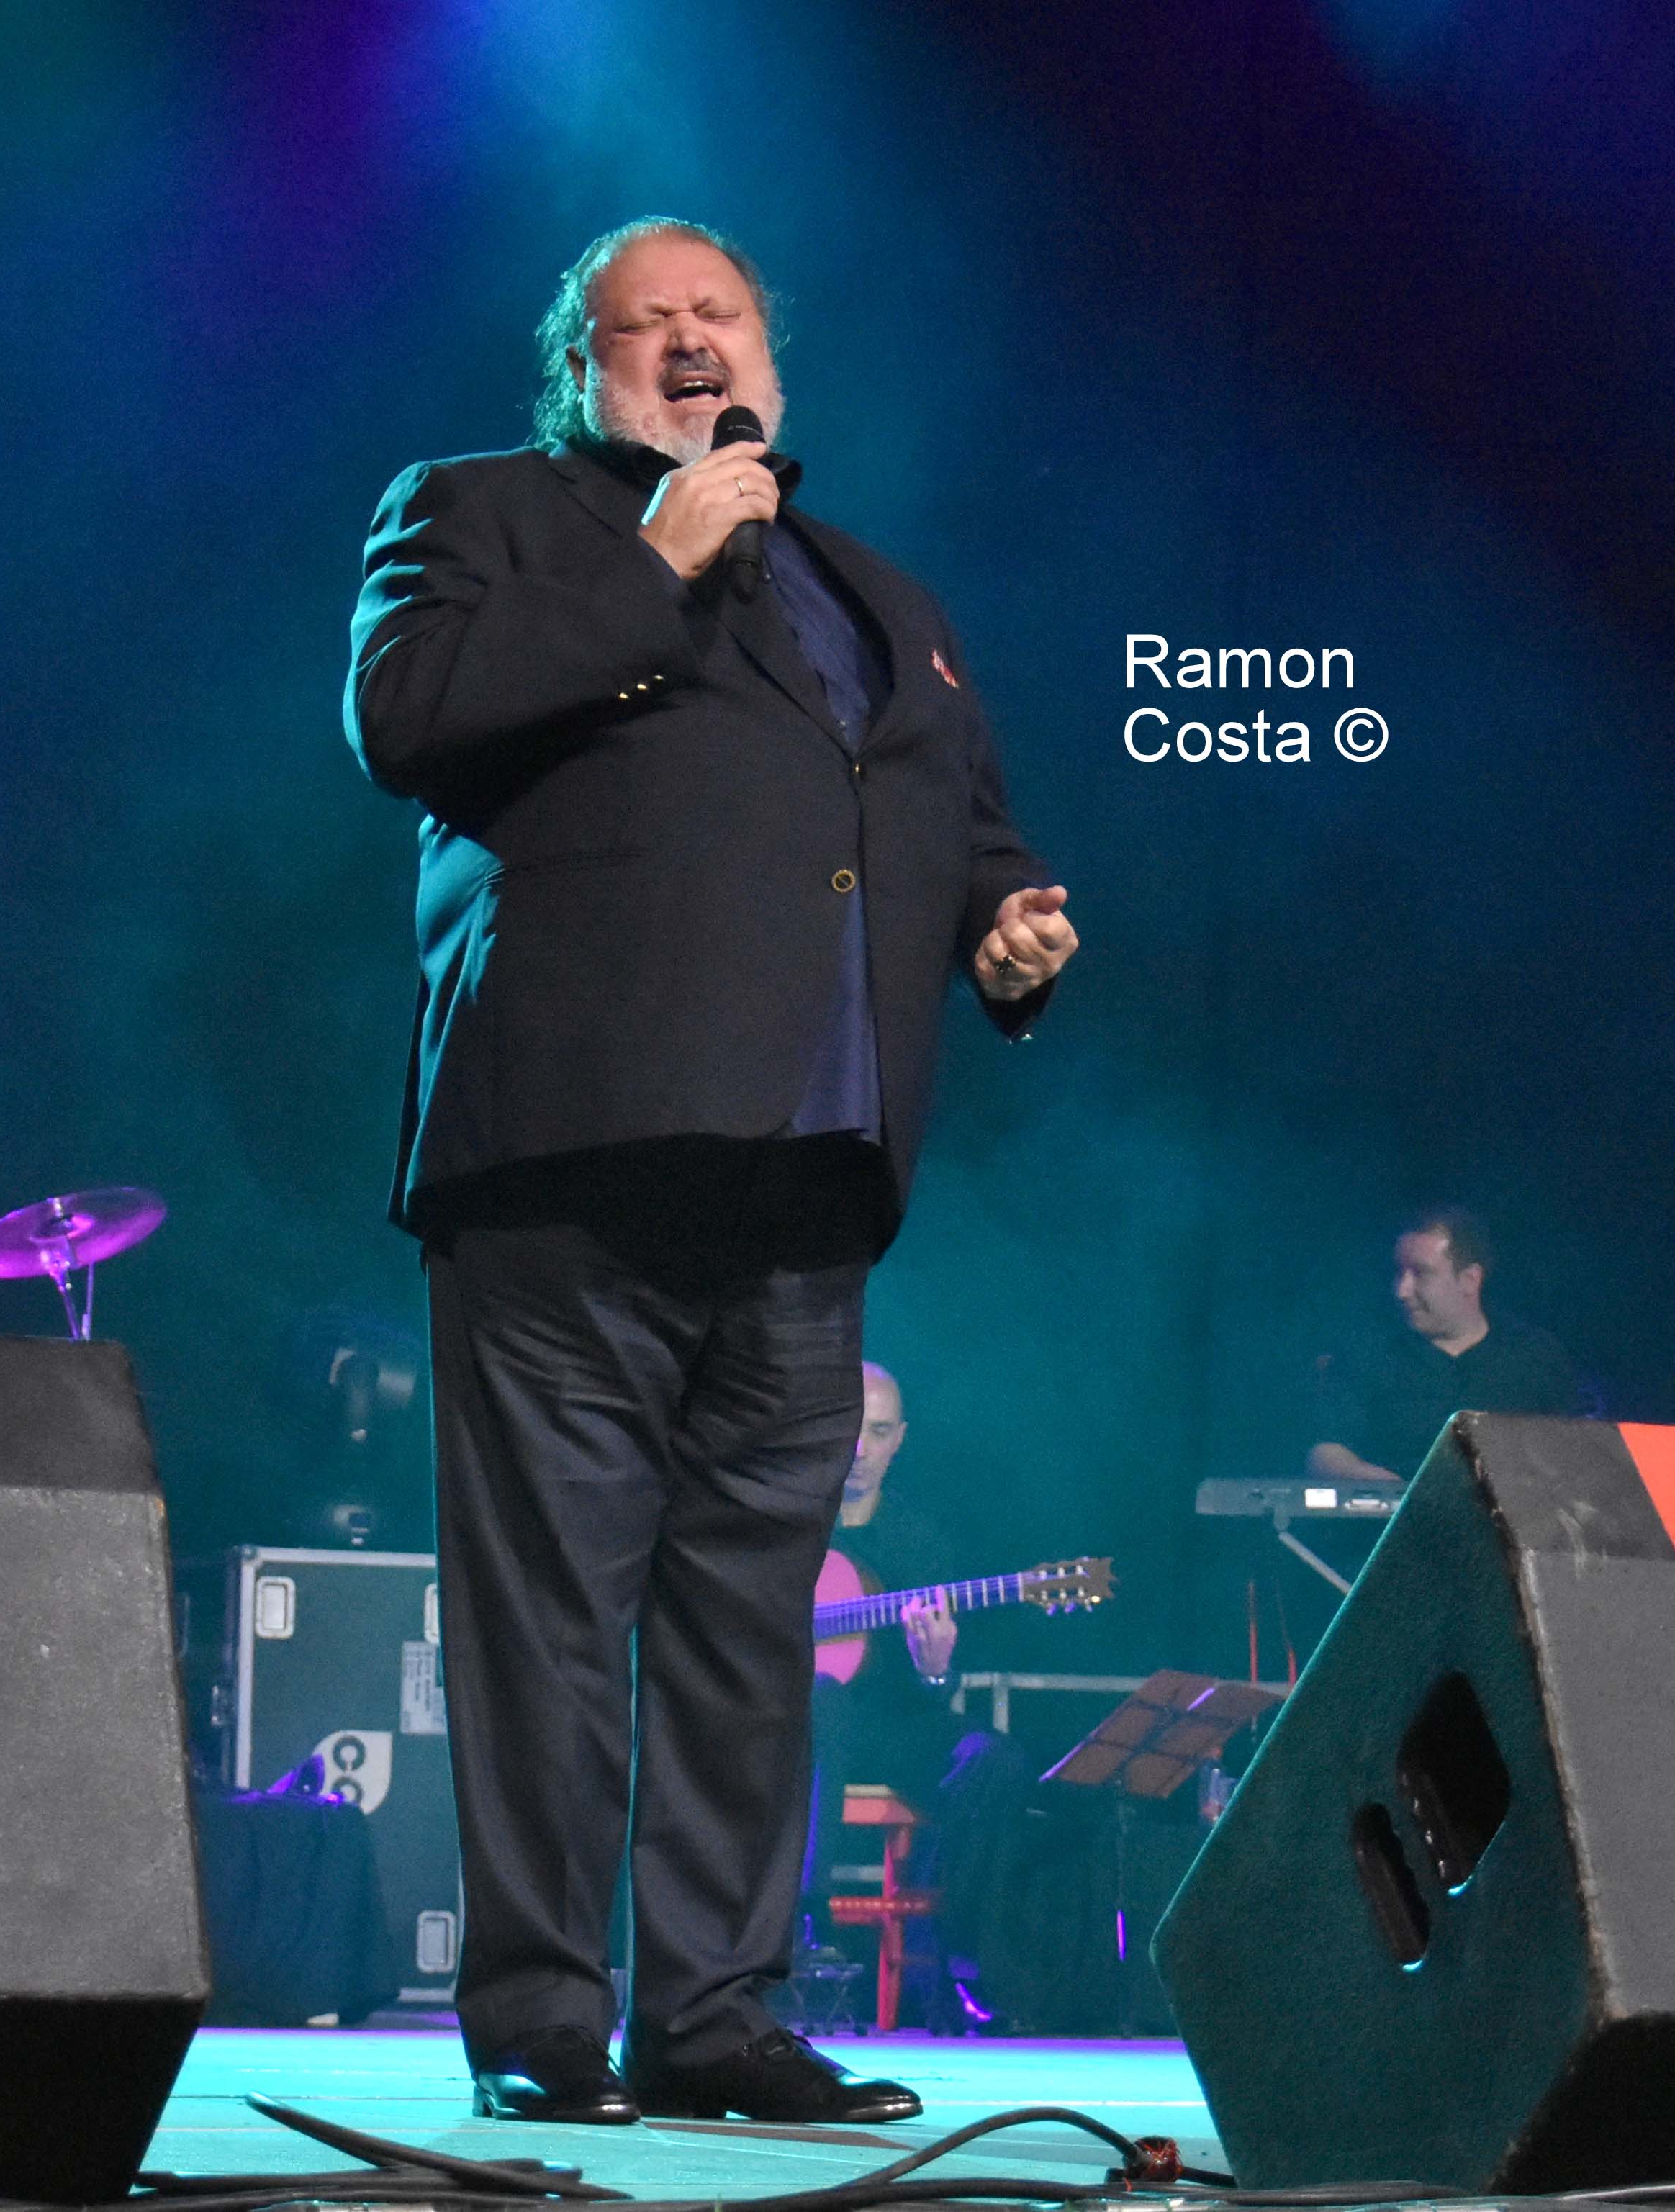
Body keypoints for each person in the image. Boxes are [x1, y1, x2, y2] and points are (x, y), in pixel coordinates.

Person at [343, 217, 1077, 2126]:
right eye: (641, 323)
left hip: (808, 1179)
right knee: (551, 1622)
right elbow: (399, 720)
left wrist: (1001, 928)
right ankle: (537, 2022)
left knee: (757, 1632)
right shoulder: (484, 514)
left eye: (717, 314)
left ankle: (719, 2018)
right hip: (572, 1158)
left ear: (769, 347)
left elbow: (960, 820)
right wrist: (650, 565)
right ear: (574, 368)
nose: (686, 343)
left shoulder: (874, 588)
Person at [801, 1363, 962, 1927]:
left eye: (879, 1431)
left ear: (899, 1439)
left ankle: (961, 1955)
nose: (861, 1449)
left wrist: (935, 1669)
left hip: (890, 1733)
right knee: (824, 1695)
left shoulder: (922, 1546)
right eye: (851, 1426)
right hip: (792, 1734)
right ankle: (807, 1920)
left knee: (996, 1763)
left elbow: (936, 1696)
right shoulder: (785, 1527)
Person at [1308, 1206, 1574, 1483]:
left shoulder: (1534, 1355)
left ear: (1470, 1279)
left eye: (1421, 1273)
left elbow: (1571, 1454)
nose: (1402, 1291)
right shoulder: (1367, 1352)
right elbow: (1326, 1453)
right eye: (1399, 1273)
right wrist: (1395, 1491)